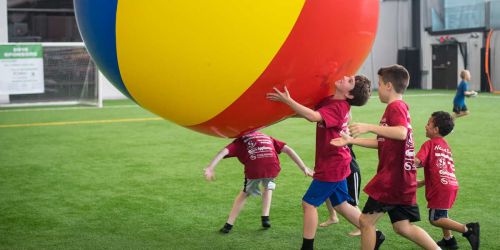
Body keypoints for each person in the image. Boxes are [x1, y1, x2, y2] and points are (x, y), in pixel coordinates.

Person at [331, 64, 439, 250]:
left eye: (380, 84)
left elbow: (401, 133)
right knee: (402, 227)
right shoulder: (397, 107)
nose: (377, 89)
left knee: (365, 221)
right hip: (402, 179)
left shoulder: (395, 107)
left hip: (392, 180)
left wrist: (369, 126)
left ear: (389, 86)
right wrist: (352, 141)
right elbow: (382, 141)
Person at [267, 75, 372, 250]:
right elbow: (308, 113)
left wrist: (287, 100)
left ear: (350, 95)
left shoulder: (340, 107)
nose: (345, 77)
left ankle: (307, 247)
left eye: (350, 81)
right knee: (341, 205)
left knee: (309, 204)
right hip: (336, 161)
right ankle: (373, 234)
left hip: (333, 165)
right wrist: (284, 110)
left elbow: (313, 117)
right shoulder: (331, 100)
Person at [204, 131, 313, 234]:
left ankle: (229, 224)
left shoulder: (240, 141)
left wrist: (210, 167)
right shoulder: (266, 136)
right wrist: (303, 167)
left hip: (255, 169)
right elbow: (288, 150)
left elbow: (223, 152)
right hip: (272, 167)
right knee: (268, 187)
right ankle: (265, 218)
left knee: (244, 194)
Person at [415, 111, 480, 250]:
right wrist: (420, 183)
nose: (425, 126)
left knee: (435, 219)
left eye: (428, 124)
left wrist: (402, 159)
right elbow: (438, 169)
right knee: (442, 213)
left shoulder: (429, 144)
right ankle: (449, 240)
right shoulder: (446, 146)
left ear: (436, 129)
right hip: (450, 184)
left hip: (440, 187)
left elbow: (416, 162)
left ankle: (468, 230)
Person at [319, 145, 362, 237]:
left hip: (351, 172)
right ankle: (333, 217)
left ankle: (362, 227)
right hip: (337, 171)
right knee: (328, 193)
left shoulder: (342, 135)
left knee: (351, 203)